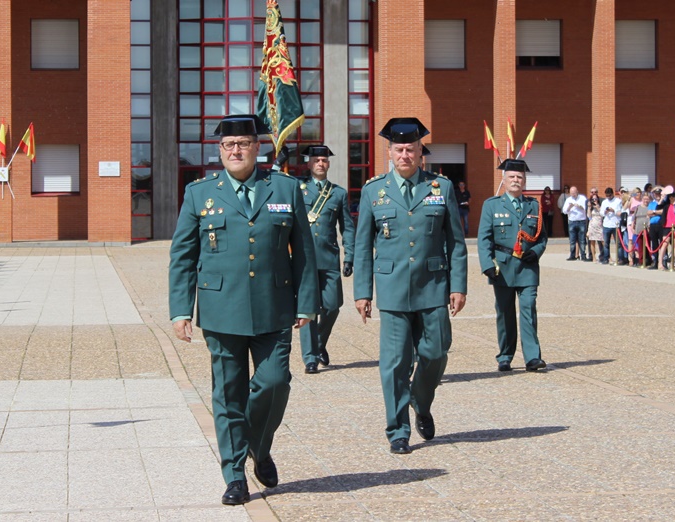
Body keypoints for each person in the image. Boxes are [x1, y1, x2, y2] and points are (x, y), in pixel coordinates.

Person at [168, 114, 317, 505]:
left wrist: (306, 302)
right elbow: (183, 255)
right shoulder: (200, 194)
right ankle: (234, 475)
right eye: (229, 145)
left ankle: (259, 445)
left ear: (257, 148)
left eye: (244, 144)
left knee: (275, 382)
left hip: (275, 306)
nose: (236, 150)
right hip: (222, 310)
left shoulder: (284, 188)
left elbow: (303, 251)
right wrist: (181, 310)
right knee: (228, 394)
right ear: (220, 151)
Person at [353, 117, 467, 456]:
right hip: (391, 288)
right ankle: (398, 430)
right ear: (389, 152)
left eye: (411, 149)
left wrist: (458, 286)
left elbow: (456, 242)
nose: (405, 155)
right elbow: (362, 247)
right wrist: (362, 292)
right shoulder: (374, 191)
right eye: (399, 149)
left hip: (433, 285)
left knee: (435, 352)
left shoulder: (440, 188)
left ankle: (421, 398)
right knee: (394, 363)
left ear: (421, 153)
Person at [477, 159, 548, 373]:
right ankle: (505, 356)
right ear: (504, 180)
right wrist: (486, 264)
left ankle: (533, 357)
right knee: (505, 312)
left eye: (520, 178)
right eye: (512, 177)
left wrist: (535, 252)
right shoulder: (492, 205)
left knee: (528, 309)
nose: (516, 181)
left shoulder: (534, 206)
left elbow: (542, 237)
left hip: (527, 267)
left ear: (524, 181)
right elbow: (484, 238)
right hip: (503, 267)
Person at [297, 145, 353, 374]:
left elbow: (347, 227)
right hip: (304, 260)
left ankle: (319, 344)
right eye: (317, 160)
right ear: (309, 164)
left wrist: (350, 256)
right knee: (308, 309)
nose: (321, 163)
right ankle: (310, 357)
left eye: (324, 160)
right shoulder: (297, 190)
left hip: (329, 258)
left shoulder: (338, 193)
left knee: (332, 305)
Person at [562, 186, 587, 261]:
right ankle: (572, 255)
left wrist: (579, 206)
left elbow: (586, 208)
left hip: (581, 221)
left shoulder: (582, 198)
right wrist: (569, 207)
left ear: (577, 192)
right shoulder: (568, 199)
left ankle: (583, 255)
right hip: (572, 221)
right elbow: (564, 211)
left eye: (574, 193)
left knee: (582, 239)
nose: (573, 194)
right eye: (571, 193)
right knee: (572, 240)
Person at [600, 188, 623, 264]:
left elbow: (620, 212)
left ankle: (620, 259)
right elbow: (601, 213)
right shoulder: (604, 202)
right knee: (606, 243)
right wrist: (605, 211)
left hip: (615, 224)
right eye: (607, 196)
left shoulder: (618, 201)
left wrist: (613, 210)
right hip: (606, 224)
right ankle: (606, 258)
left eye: (610, 195)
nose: (608, 197)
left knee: (618, 243)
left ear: (612, 194)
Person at [586, 191, 602, 262]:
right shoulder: (591, 208)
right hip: (592, 225)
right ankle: (593, 257)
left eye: (596, 199)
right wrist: (589, 207)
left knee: (603, 241)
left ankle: (606, 256)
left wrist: (598, 207)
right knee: (592, 241)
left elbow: (602, 214)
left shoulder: (600, 206)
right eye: (593, 199)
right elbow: (589, 216)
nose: (594, 200)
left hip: (600, 225)